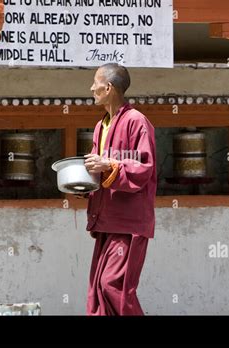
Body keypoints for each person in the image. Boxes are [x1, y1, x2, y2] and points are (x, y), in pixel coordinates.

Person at [82, 63, 157, 316]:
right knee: (98, 293)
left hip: (128, 223)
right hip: (106, 220)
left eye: (96, 82)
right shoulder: (100, 125)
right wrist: (83, 182)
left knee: (114, 287)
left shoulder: (137, 122)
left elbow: (144, 168)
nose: (92, 88)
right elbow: (99, 172)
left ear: (109, 87)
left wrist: (110, 164)